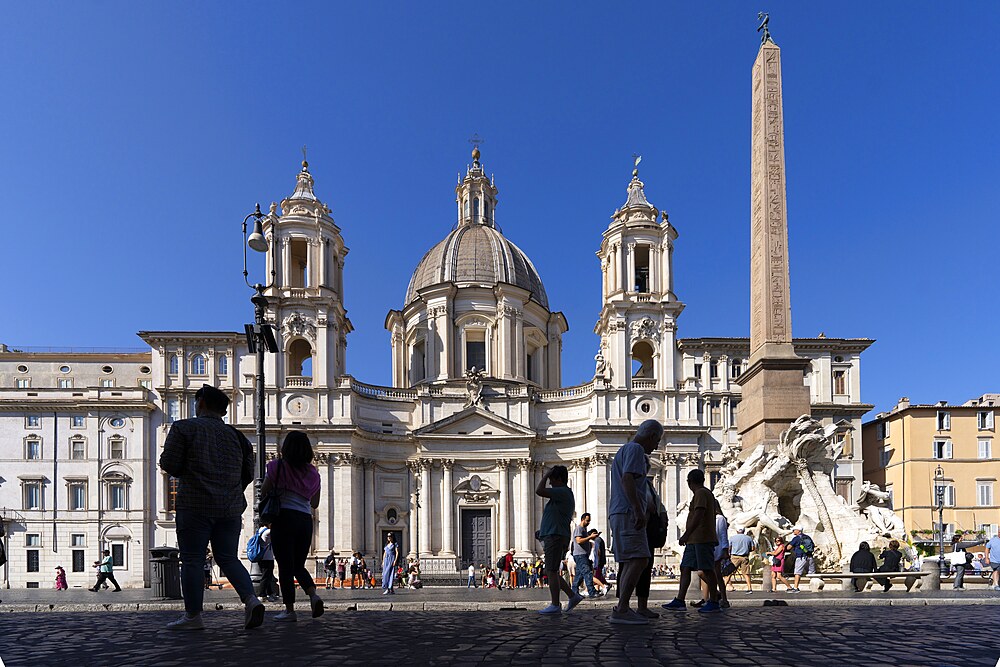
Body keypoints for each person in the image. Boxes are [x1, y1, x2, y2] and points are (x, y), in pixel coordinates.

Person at [160, 384, 262, 631]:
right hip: (229, 508)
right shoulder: (239, 437)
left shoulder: (184, 427)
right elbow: (249, 473)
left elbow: (169, 464)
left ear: (201, 403)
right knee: (228, 558)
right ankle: (251, 600)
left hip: (194, 505)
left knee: (193, 560)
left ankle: (193, 616)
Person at [264, 431, 323, 621]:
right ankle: (314, 595)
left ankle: (289, 610)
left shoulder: (277, 467)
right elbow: (315, 503)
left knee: (285, 567)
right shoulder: (314, 473)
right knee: (299, 565)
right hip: (305, 520)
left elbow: (264, 491)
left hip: (284, 518)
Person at [609, 419, 663, 625]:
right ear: (650, 436)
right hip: (627, 512)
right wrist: (638, 510)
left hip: (621, 512)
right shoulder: (635, 449)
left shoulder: (627, 449)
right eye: (656, 441)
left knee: (632, 560)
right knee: (640, 559)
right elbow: (628, 479)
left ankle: (621, 608)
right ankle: (622, 609)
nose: (656, 446)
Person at [662, 469, 722, 614]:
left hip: (702, 538)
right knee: (685, 567)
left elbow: (699, 515)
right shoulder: (703, 493)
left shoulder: (702, 493)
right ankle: (680, 600)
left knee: (707, 569)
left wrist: (686, 534)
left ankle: (714, 601)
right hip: (694, 539)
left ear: (689, 482)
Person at [535, 465, 579, 614]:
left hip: (555, 535)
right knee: (552, 570)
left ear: (559, 478)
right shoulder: (562, 494)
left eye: (552, 479)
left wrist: (546, 474)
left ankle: (555, 604)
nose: (550, 483)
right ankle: (572, 596)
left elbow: (539, 491)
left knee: (552, 570)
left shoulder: (562, 492)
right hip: (554, 534)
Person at [571, 513, 600, 598]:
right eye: (587, 520)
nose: (588, 522)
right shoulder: (579, 528)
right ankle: (592, 592)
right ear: (582, 519)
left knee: (579, 575)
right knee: (587, 572)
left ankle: (574, 592)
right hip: (580, 555)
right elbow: (579, 540)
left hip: (582, 554)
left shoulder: (583, 529)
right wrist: (590, 537)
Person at [786, 526, 816, 592]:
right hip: (809, 556)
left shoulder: (796, 538)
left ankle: (796, 588)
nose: (793, 531)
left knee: (797, 572)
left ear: (798, 531)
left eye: (794, 530)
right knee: (812, 573)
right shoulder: (807, 537)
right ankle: (815, 587)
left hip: (801, 557)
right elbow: (813, 546)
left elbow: (788, 548)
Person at [728, 527, 755, 593]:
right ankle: (749, 588)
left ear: (737, 531)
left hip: (735, 557)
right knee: (746, 573)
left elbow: (729, 548)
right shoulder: (749, 538)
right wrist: (747, 549)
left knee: (729, 573)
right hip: (744, 557)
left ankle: (723, 588)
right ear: (744, 531)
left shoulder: (732, 538)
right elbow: (753, 548)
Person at [256, 526, 278, 602]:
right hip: (267, 558)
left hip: (262, 558)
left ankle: (269, 593)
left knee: (268, 577)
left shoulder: (260, 530)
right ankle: (261, 594)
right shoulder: (268, 531)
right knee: (265, 577)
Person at [590, 529, 611, 596]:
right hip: (600, 561)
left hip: (598, 562)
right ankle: (606, 585)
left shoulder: (597, 540)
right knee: (599, 576)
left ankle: (604, 586)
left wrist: (596, 561)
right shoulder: (599, 539)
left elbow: (597, 551)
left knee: (593, 577)